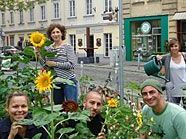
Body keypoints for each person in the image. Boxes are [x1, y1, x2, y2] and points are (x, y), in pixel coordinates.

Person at [36, 23, 78, 104]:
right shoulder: (49, 48)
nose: (56, 34)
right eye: (53, 32)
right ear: (50, 35)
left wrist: (55, 64)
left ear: (62, 33)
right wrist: (38, 55)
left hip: (68, 81)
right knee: (58, 107)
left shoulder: (67, 47)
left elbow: (72, 64)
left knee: (71, 106)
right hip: (56, 82)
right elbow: (46, 65)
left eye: (57, 32)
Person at [156, 37, 186, 108]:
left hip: (184, 86)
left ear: (179, 47)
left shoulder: (184, 56)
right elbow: (157, 57)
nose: (174, 48)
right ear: (169, 48)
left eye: (176, 46)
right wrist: (157, 56)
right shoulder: (167, 57)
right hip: (173, 87)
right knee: (173, 108)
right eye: (172, 46)